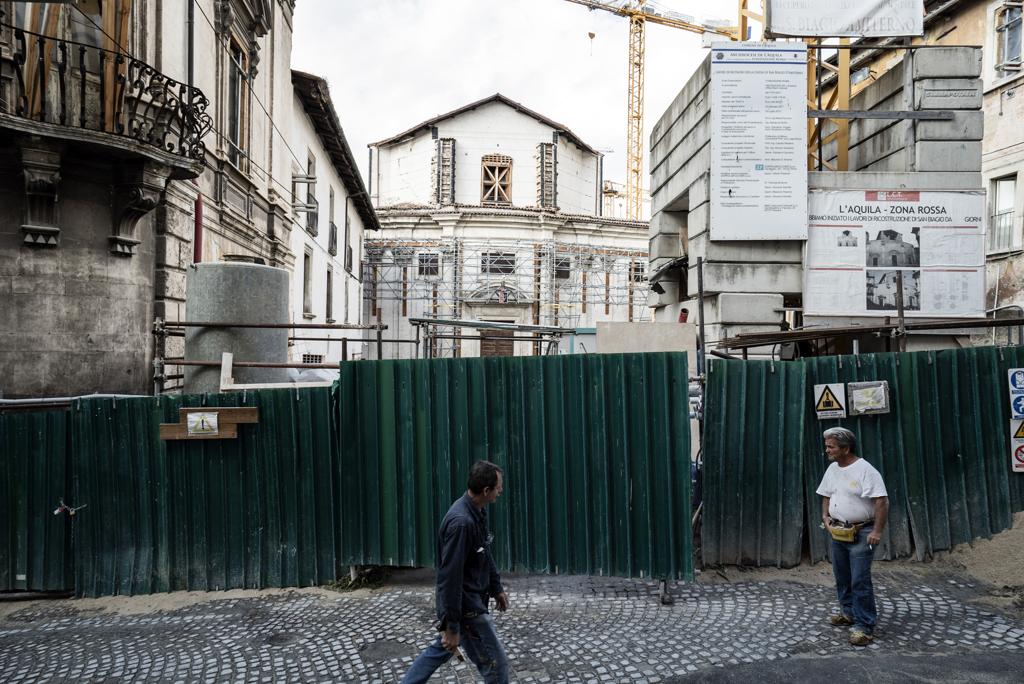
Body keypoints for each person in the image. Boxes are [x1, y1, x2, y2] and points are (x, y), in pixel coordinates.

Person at [402, 460, 510, 683]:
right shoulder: (461, 524)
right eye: (498, 487)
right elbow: (449, 579)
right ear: (486, 490)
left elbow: (484, 552)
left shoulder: (475, 511)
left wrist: (496, 587)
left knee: (439, 651)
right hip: (468, 608)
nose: (501, 490)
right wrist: (451, 626)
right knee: (497, 666)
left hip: (468, 603)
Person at [816, 427, 889, 646]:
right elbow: (826, 494)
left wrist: (876, 531)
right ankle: (848, 613)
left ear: (846, 448)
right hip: (839, 531)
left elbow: (881, 501)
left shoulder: (865, 470)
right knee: (843, 575)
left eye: (831, 447)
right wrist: (825, 517)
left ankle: (864, 626)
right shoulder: (832, 469)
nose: (827, 450)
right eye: (827, 445)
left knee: (860, 580)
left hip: (862, 532)